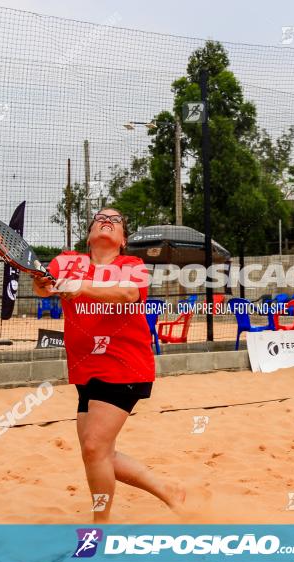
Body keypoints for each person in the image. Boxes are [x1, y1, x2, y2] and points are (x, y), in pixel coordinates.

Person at [32, 208, 185, 522]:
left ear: (123, 240)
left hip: (124, 365)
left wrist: (80, 287)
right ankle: (168, 491)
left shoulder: (132, 265)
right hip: (85, 368)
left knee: (93, 448)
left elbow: (128, 293)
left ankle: (100, 526)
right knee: (98, 455)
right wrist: (42, 283)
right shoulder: (66, 262)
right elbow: (44, 288)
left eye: (116, 220)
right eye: (101, 218)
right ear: (89, 235)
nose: (108, 221)